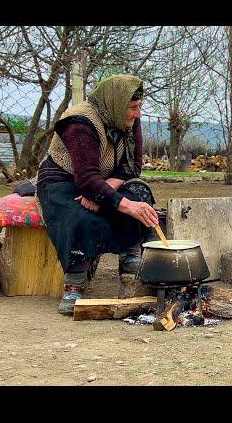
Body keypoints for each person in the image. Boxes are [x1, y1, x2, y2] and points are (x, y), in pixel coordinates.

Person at [36, 74, 159, 315]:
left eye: (139, 107)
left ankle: (130, 253)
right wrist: (118, 202)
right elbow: (85, 179)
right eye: (133, 108)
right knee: (80, 216)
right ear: (116, 103)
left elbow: (132, 167)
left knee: (139, 193)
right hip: (64, 181)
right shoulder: (80, 122)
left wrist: (106, 191)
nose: (138, 113)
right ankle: (74, 282)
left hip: (102, 180)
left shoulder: (128, 118)